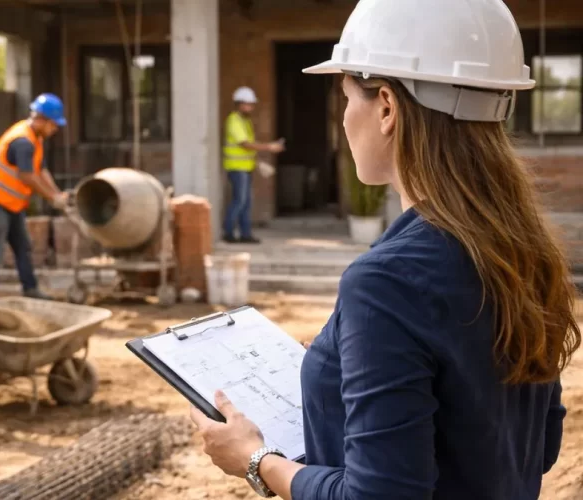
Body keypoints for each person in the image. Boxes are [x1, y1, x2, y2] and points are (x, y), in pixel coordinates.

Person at [190, 1, 582, 499]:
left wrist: (255, 460)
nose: (347, 114)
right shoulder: (523, 250)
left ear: (388, 108)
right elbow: (538, 446)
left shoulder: (386, 280)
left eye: (348, 96)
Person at [0, 93, 69, 300]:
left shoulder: (36, 138)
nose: (55, 129)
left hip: (11, 203)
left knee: (22, 246)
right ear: (42, 119)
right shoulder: (23, 141)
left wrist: (56, 193)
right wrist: (51, 198)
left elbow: (41, 170)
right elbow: (27, 176)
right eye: (54, 124)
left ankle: (30, 289)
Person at [222, 86, 285, 244]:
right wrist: (269, 147)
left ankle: (245, 234)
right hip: (237, 168)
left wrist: (257, 161)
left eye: (252, 104)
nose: (251, 107)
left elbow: (247, 146)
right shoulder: (234, 120)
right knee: (239, 201)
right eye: (248, 104)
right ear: (240, 104)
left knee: (246, 202)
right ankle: (228, 232)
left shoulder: (245, 121)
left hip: (246, 167)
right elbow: (245, 144)